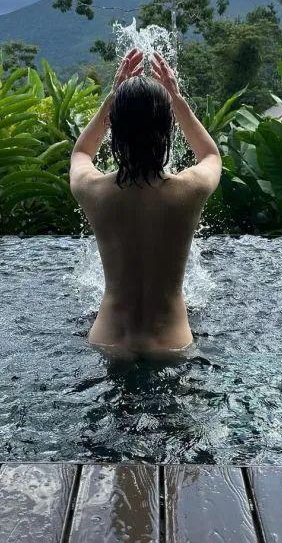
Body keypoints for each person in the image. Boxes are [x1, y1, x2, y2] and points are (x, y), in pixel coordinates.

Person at [70, 48, 222, 355]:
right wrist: (176, 100)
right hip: (172, 344)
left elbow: (81, 153)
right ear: (168, 128)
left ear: (115, 127)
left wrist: (111, 101)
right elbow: (210, 155)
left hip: (108, 341)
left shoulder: (95, 191)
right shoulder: (188, 191)